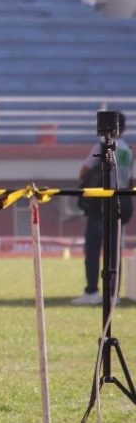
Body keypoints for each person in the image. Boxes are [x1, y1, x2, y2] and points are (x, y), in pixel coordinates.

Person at [72, 112, 133, 306]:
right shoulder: (127, 150)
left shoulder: (101, 147)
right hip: (120, 201)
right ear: (122, 128)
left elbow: (85, 170)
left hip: (100, 203)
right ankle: (114, 294)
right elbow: (128, 178)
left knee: (92, 248)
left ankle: (92, 291)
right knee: (115, 250)